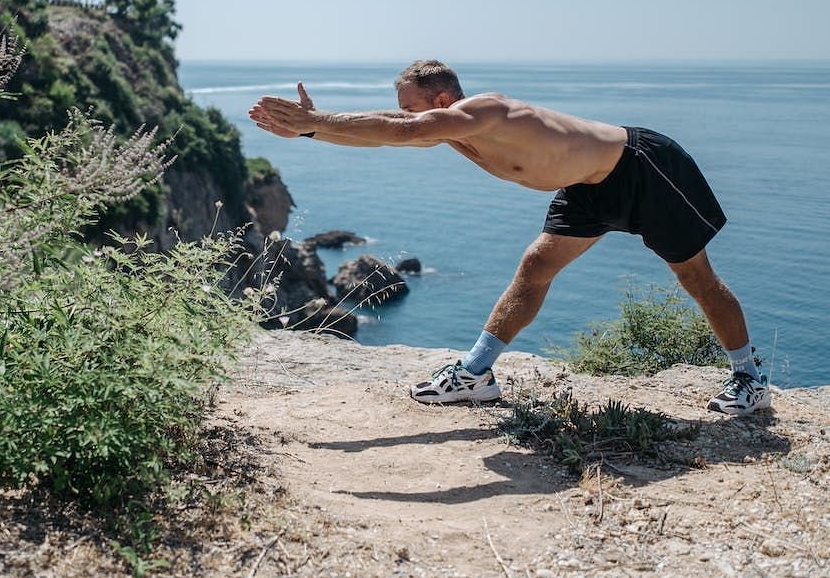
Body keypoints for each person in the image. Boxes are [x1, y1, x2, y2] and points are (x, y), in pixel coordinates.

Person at [249, 59, 769, 416]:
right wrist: (311, 129)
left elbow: (404, 130)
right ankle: (476, 375)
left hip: (643, 170)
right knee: (535, 267)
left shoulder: (486, 111)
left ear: (445, 99)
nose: (410, 116)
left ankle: (750, 379)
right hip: (587, 188)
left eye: (416, 107)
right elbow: (388, 126)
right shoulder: (453, 127)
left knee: (695, 277)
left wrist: (316, 119)